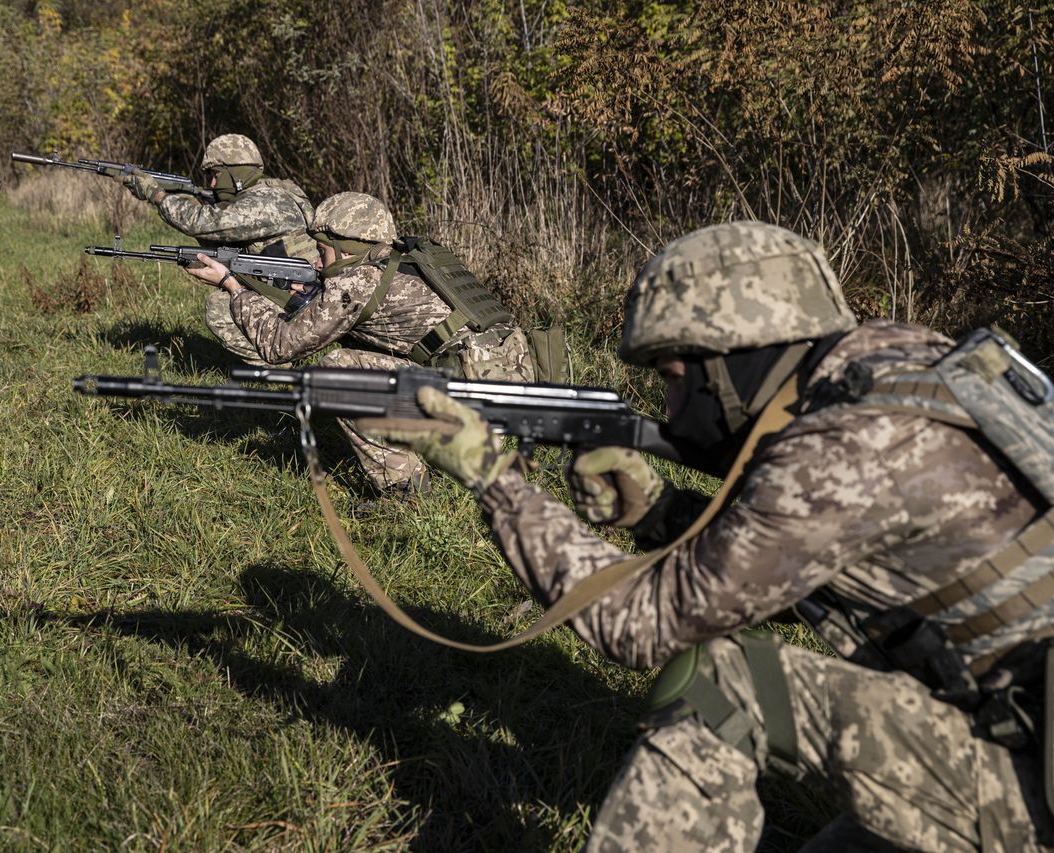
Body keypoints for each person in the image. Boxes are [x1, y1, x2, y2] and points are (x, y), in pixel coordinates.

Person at [363, 221, 1054, 850]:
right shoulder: (896, 366)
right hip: (1017, 733)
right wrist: (659, 511)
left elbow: (640, 622)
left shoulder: (841, 450)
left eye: (671, 378)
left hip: (1029, 789)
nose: (666, 408)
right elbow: (800, 565)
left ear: (731, 362)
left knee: (720, 687)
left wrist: (497, 482)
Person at [184, 190, 534, 504]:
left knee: (336, 373)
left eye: (322, 251)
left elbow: (278, 347)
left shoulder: (359, 280)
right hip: (509, 393)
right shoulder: (410, 258)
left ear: (346, 247)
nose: (318, 263)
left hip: (477, 411)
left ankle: (406, 491)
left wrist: (232, 286)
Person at [120, 133, 316, 358]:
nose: (212, 183)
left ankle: (278, 362)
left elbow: (201, 222)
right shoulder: (276, 191)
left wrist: (156, 195)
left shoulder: (262, 203)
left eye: (216, 175)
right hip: (299, 293)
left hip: (301, 300)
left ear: (235, 173)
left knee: (222, 308)